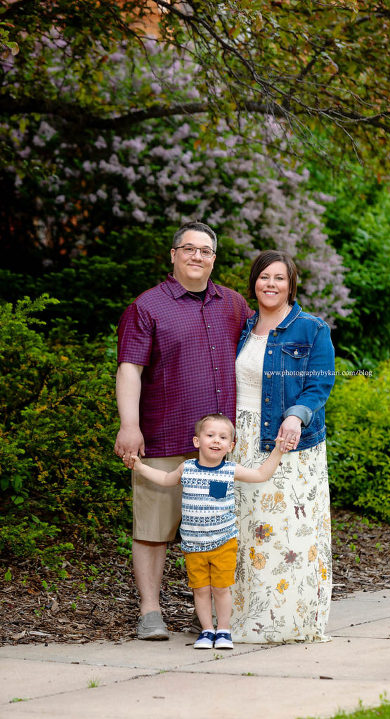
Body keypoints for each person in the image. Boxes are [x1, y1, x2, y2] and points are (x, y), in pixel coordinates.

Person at [114, 221, 253, 640]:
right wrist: (129, 425)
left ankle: (208, 615)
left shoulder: (233, 304)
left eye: (205, 250)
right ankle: (150, 612)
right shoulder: (147, 306)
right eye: (189, 248)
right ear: (173, 255)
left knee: (218, 533)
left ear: (214, 258)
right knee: (153, 530)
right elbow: (129, 368)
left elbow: (262, 349)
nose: (197, 256)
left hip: (218, 449)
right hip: (163, 436)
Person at [230, 249, 335, 643]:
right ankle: (243, 617)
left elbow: (321, 383)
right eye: (264, 277)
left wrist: (296, 415)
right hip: (240, 440)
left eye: (279, 278)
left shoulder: (311, 329)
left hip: (287, 442)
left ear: (291, 285)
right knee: (246, 530)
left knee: (287, 533)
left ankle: (289, 621)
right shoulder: (244, 327)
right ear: (254, 282)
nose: (270, 284)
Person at [127, 414, 290, 649]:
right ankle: (206, 631)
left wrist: (278, 451)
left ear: (231, 446)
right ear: (197, 441)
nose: (216, 440)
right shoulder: (187, 468)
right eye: (210, 435)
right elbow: (164, 478)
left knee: (221, 589)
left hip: (223, 542)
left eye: (223, 437)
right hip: (194, 545)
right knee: (201, 590)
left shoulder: (230, 470)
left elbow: (261, 475)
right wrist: (140, 467)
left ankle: (223, 630)